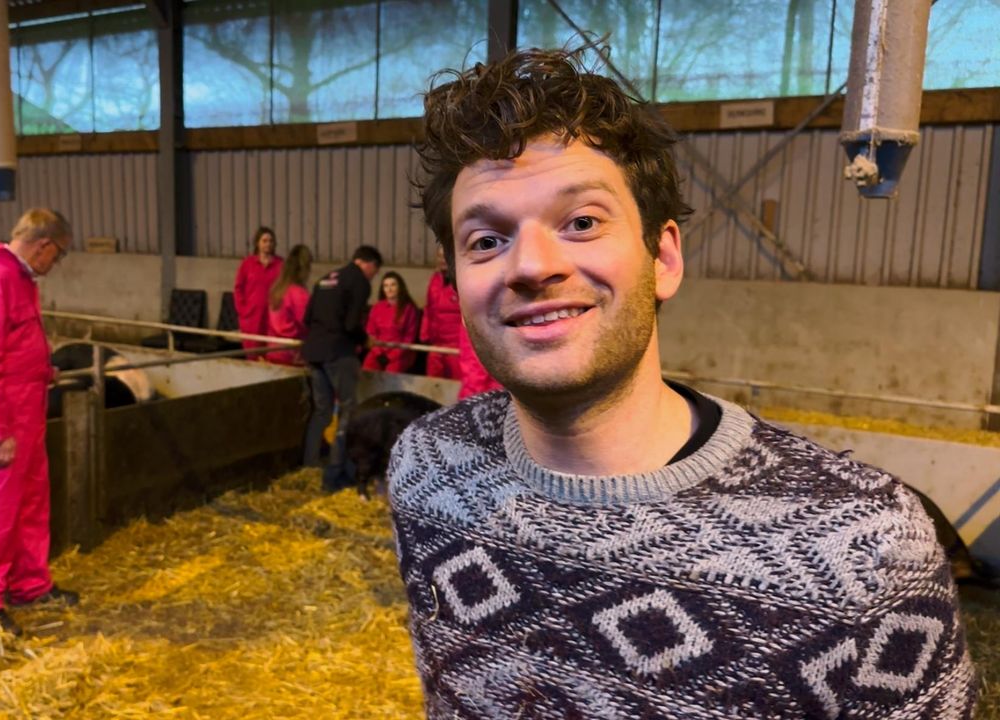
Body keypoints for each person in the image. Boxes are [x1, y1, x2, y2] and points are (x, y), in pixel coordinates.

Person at [387, 47, 975, 718]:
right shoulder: (427, 469)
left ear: (663, 257)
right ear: (455, 281)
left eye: (582, 222)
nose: (531, 266)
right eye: (486, 241)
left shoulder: (864, 546)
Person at [0, 208, 80, 636]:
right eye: (58, 255)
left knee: (29, 502)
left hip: (26, 409)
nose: (55, 264)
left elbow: (12, 345)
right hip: (0, 413)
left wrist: (42, 369)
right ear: (44, 245)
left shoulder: (19, 280)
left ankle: (29, 583)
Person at [301, 245, 383, 491]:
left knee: (322, 412)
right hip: (339, 353)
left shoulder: (326, 278)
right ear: (368, 264)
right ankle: (335, 475)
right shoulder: (359, 281)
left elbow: (307, 318)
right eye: (375, 271)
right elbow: (350, 324)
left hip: (314, 352)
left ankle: (309, 466)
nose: (373, 276)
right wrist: (364, 339)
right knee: (348, 411)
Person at [233, 226, 283, 359]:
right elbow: (238, 288)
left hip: (273, 317)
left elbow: (286, 288)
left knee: (272, 353)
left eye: (271, 241)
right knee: (252, 354)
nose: (268, 244)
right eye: (264, 241)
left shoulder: (281, 264)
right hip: (252, 318)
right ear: (257, 243)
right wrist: (243, 311)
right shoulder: (247, 263)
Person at [363, 271, 420, 373]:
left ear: (400, 287)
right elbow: (370, 333)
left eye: (393, 285)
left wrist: (391, 357)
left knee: (391, 375)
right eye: (386, 286)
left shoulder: (409, 309)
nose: (389, 289)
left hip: (401, 353)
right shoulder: (377, 307)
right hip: (378, 350)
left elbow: (409, 338)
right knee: (366, 373)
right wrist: (378, 353)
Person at [265, 244, 313, 366]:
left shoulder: (276, 290)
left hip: (273, 350)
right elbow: (307, 322)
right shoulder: (299, 293)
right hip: (291, 355)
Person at [420, 245, 462, 380]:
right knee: (433, 383)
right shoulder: (435, 280)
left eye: (445, 256)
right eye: (439, 256)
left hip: (456, 347)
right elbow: (428, 308)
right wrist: (424, 333)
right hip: (436, 345)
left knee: (457, 384)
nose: (442, 260)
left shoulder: (461, 281)